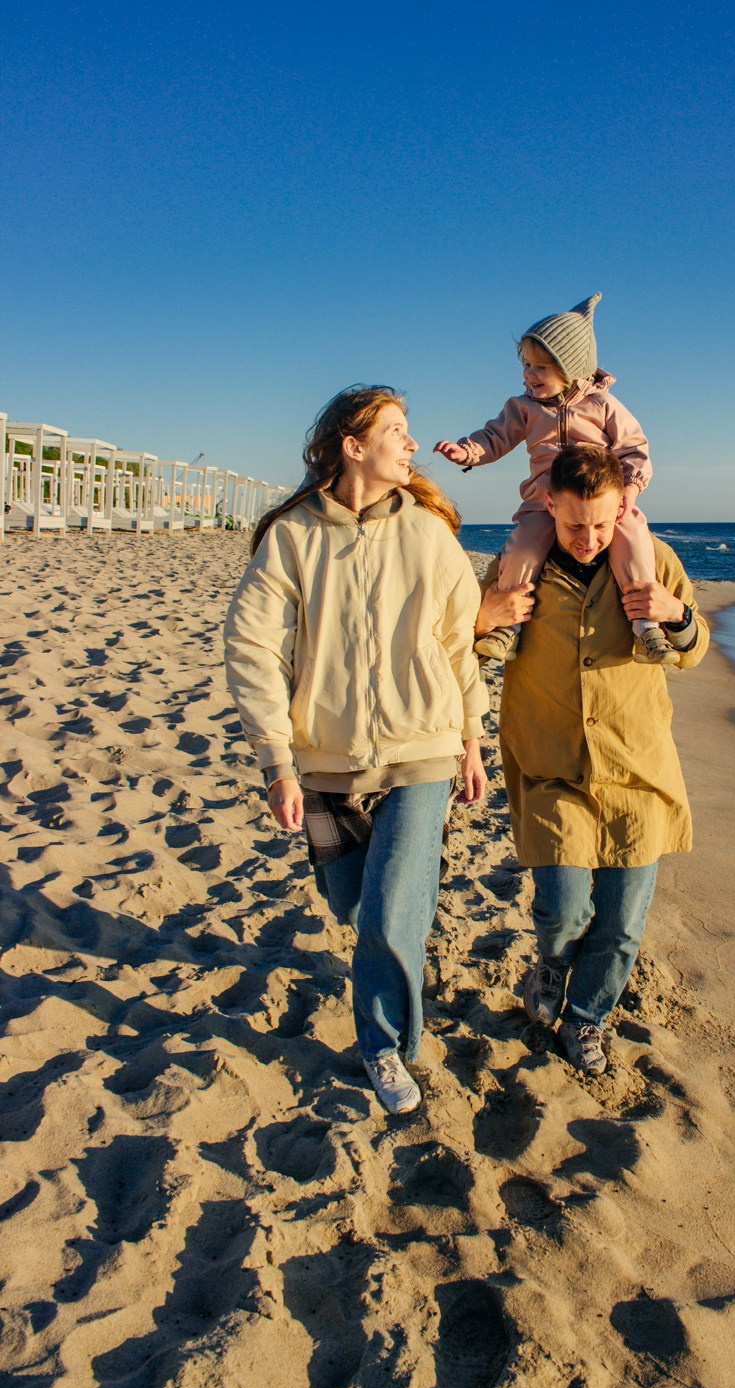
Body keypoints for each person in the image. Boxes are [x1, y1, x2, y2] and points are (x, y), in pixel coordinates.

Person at [224, 385, 488, 1115]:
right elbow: (252, 649)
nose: (410, 444)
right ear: (353, 445)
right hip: (324, 760)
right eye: (397, 431)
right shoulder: (292, 536)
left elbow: (457, 646)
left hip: (423, 747)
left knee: (390, 910)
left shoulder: (430, 535)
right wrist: (276, 760)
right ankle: (392, 957)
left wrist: (470, 739)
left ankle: (383, 1047)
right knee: (353, 904)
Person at [476, 443, 709, 1075]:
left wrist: (675, 613)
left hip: (637, 771)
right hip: (551, 764)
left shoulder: (652, 561)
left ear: (622, 509)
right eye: (576, 523)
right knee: (562, 910)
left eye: (603, 524)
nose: (589, 537)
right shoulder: (521, 566)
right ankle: (552, 962)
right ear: (549, 504)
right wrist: (480, 617)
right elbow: (466, 638)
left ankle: (586, 1020)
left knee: (623, 925)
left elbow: (692, 649)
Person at [435, 292, 676, 666]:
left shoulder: (603, 405)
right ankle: (507, 629)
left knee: (633, 540)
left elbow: (634, 448)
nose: (529, 375)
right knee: (522, 548)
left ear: (572, 368)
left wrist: (630, 487)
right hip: (542, 499)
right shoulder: (524, 408)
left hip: (603, 498)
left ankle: (645, 626)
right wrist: (467, 451)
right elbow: (495, 436)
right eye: (526, 365)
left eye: (541, 367)